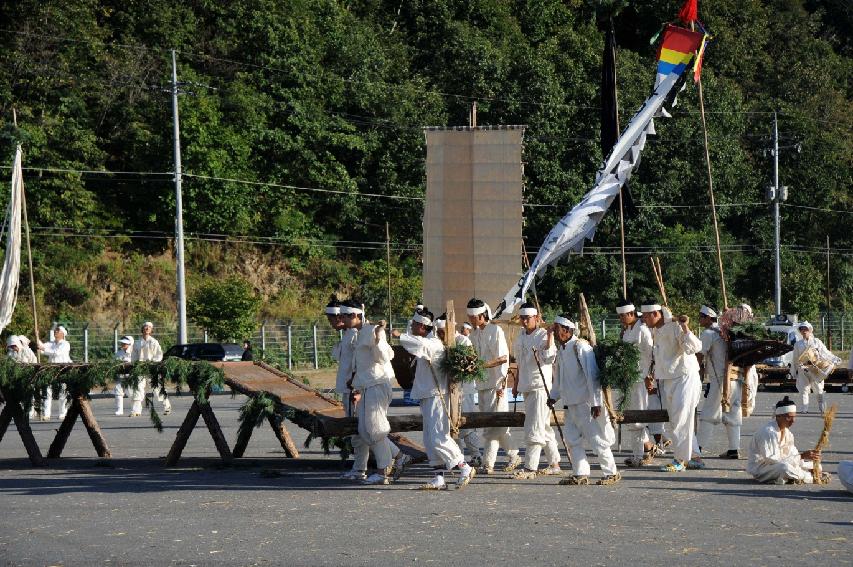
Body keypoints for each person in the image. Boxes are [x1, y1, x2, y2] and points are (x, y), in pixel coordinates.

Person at [396, 308, 475, 490]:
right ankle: (438, 476)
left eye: (415, 324)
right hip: (427, 395)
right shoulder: (430, 341)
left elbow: (414, 344)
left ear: (422, 326)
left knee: (439, 436)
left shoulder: (432, 344)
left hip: (436, 395)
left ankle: (464, 467)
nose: (412, 327)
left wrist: (399, 335)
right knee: (430, 439)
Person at [549, 314, 619, 485]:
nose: (554, 332)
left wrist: (596, 403)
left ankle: (611, 473)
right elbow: (559, 379)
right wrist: (553, 396)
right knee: (572, 439)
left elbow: (592, 376)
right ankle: (580, 473)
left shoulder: (581, 347)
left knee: (597, 439)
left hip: (586, 403)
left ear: (567, 330)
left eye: (556, 328)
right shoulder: (562, 350)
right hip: (570, 403)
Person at [345, 300, 408, 485]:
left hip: (378, 385)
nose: (342, 319)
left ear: (356, 315)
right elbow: (362, 363)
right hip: (366, 386)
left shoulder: (372, 331)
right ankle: (400, 455)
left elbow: (386, 356)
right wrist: (354, 382)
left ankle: (382, 472)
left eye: (345, 315)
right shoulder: (360, 333)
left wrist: (380, 337)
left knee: (375, 429)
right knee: (364, 431)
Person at [641, 303, 703, 472]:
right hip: (668, 379)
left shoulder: (676, 326)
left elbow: (696, 347)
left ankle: (680, 460)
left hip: (685, 377)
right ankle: (695, 456)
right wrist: (650, 375)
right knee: (680, 419)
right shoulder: (656, 330)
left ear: (655, 314)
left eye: (646, 316)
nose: (643, 319)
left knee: (680, 420)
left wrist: (685, 328)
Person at [466, 298, 521, 474]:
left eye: (473, 317)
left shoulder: (495, 330)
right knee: (495, 425)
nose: (471, 320)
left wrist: (501, 382)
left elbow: (503, 358)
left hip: (497, 384)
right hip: (481, 385)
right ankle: (514, 455)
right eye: (469, 316)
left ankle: (488, 463)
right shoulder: (473, 335)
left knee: (493, 425)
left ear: (482, 316)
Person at [511, 302, 561, 480]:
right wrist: (515, 384)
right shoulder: (520, 337)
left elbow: (548, 358)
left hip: (541, 387)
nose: (524, 321)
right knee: (543, 427)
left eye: (528, 318)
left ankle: (530, 467)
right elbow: (518, 363)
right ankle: (554, 463)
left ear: (536, 318)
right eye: (522, 318)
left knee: (534, 428)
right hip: (526, 386)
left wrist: (549, 337)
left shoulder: (542, 335)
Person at [435, 315, 483, 467]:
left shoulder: (463, 341)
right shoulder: (438, 343)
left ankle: (476, 455)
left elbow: (469, 364)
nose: (440, 335)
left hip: (464, 390)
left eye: (442, 332)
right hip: (446, 391)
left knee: (465, 426)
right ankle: (458, 457)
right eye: (439, 332)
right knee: (450, 427)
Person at [746, 396, 828, 484]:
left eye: (794, 417)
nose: (793, 421)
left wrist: (810, 459)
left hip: (783, 462)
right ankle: (809, 478)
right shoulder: (768, 432)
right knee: (784, 468)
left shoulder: (788, 434)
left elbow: (792, 454)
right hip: (763, 468)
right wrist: (802, 456)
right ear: (778, 416)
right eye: (789, 417)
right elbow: (773, 460)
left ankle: (801, 475)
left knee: (817, 466)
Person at [696, 305, 742, 459]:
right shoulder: (728, 332)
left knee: (709, 414)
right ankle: (733, 449)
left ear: (709, 318)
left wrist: (697, 374)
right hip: (735, 379)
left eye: (702, 316)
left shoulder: (709, 333)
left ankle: (697, 448)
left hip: (720, 381)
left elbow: (699, 356)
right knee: (733, 414)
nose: (699, 319)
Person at [616, 300, 658, 467]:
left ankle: (639, 455)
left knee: (637, 418)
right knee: (629, 417)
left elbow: (652, 354)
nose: (620, 319)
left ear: (631, 314)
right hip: (628, 379)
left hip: (640, 379)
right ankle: (645, 449)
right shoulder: (626, 331)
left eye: (622, 316)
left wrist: (650, 376)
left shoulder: (642, 330)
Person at [332, 299, 371, 481]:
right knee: (358, 431)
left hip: (355, 389)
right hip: (348, 388)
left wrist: (357, 388)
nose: (339, 320)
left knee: (359, 431)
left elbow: (359, 363)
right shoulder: (348, 333)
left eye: (342, 316)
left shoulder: (357, 334)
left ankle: (360, 469)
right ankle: (359, 467)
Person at [792, 321, 840, 415]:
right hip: (803, 369)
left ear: (810, 330)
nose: (804, 331)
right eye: (802, 329)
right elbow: (795, 359)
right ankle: (804, 409)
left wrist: (835, 359)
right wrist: (795, 371)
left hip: (815, 369)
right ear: (800, 331)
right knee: (804, 389)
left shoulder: (816, 342)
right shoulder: (797, 344)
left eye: (806, 329)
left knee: (818, 389)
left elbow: (825, 353)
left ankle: (823, 409)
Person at [130, 322, 170, 417]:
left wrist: (153, 363)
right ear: (142, 329)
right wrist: (135, 364)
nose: (147, 328)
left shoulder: (154, 342)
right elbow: (134, 356)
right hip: (140, 368)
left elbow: (159, 355)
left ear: (152, 330)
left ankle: (167, 407)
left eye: (149, 327)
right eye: (145, 326)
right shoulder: (137, 343)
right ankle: (136, 410)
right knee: (138, 388)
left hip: (152, 368)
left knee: (156, 388)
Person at [35, 325, 72, 421]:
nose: (55, 331)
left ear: (62, 334)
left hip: (62, 369)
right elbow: (42, 347)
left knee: (62, 392)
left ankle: (62, 413)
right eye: (55, 330)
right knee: (47, 391)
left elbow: (56, 352)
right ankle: (47, 414)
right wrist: (37, 336)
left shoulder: (66, 344)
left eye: (57, 330)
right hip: (51, 369)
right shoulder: (51, 343)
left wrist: (43, 349)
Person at [113, 335, 134, 416]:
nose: (123, 345)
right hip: (120, 375)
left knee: (131, 392)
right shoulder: (118, 353)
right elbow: (115, 362)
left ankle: (134, 409)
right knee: (118, 391)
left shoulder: (134, 352)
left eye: (125, 343)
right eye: (122, 343)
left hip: (131, 376)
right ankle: (119, 410)